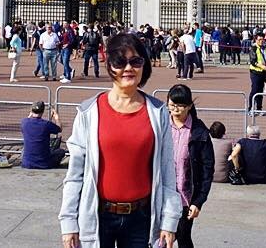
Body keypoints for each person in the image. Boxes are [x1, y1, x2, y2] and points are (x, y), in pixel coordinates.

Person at [59, 32, 180, 248]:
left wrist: (170, 220)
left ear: (144, 65)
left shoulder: (158, 111)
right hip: (98, 214)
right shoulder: (89, 111)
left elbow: (167, 169)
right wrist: (68, 222)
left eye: (136, 61)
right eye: (120, 62)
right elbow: (75, 173)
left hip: (141, 218)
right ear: (109, 66)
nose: (128, 68)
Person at [167, 84, 215, 248]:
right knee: (159, 239)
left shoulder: (199, 132)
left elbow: (207, 170)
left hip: (185, 199)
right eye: (172, 104)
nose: (175, 109)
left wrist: (198, 201)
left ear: (189, 106)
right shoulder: (161, 125)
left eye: (180, 105)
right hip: (162, 195)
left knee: (183, 237)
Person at [21, 100, 64, 169]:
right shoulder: (46, 124)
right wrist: (56, 118)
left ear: (31, 110)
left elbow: (28, 120)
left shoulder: (24, 122)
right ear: (43, 111)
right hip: (44, 163)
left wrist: (30, 115)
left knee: (24, 150)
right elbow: (59, 129)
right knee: (61, 152)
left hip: (27, 163)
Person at [247, 33, 266, 113]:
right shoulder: (253, 48)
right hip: (255, 72)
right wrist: (261, 66)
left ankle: (259, 108)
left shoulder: (265, 47)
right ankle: (250, 108)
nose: (261, 41)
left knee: (260, 91)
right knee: (254, 90)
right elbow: (253, 61)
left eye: (262, 39)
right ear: (256, 40)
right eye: (259, 40)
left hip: (263, 72)